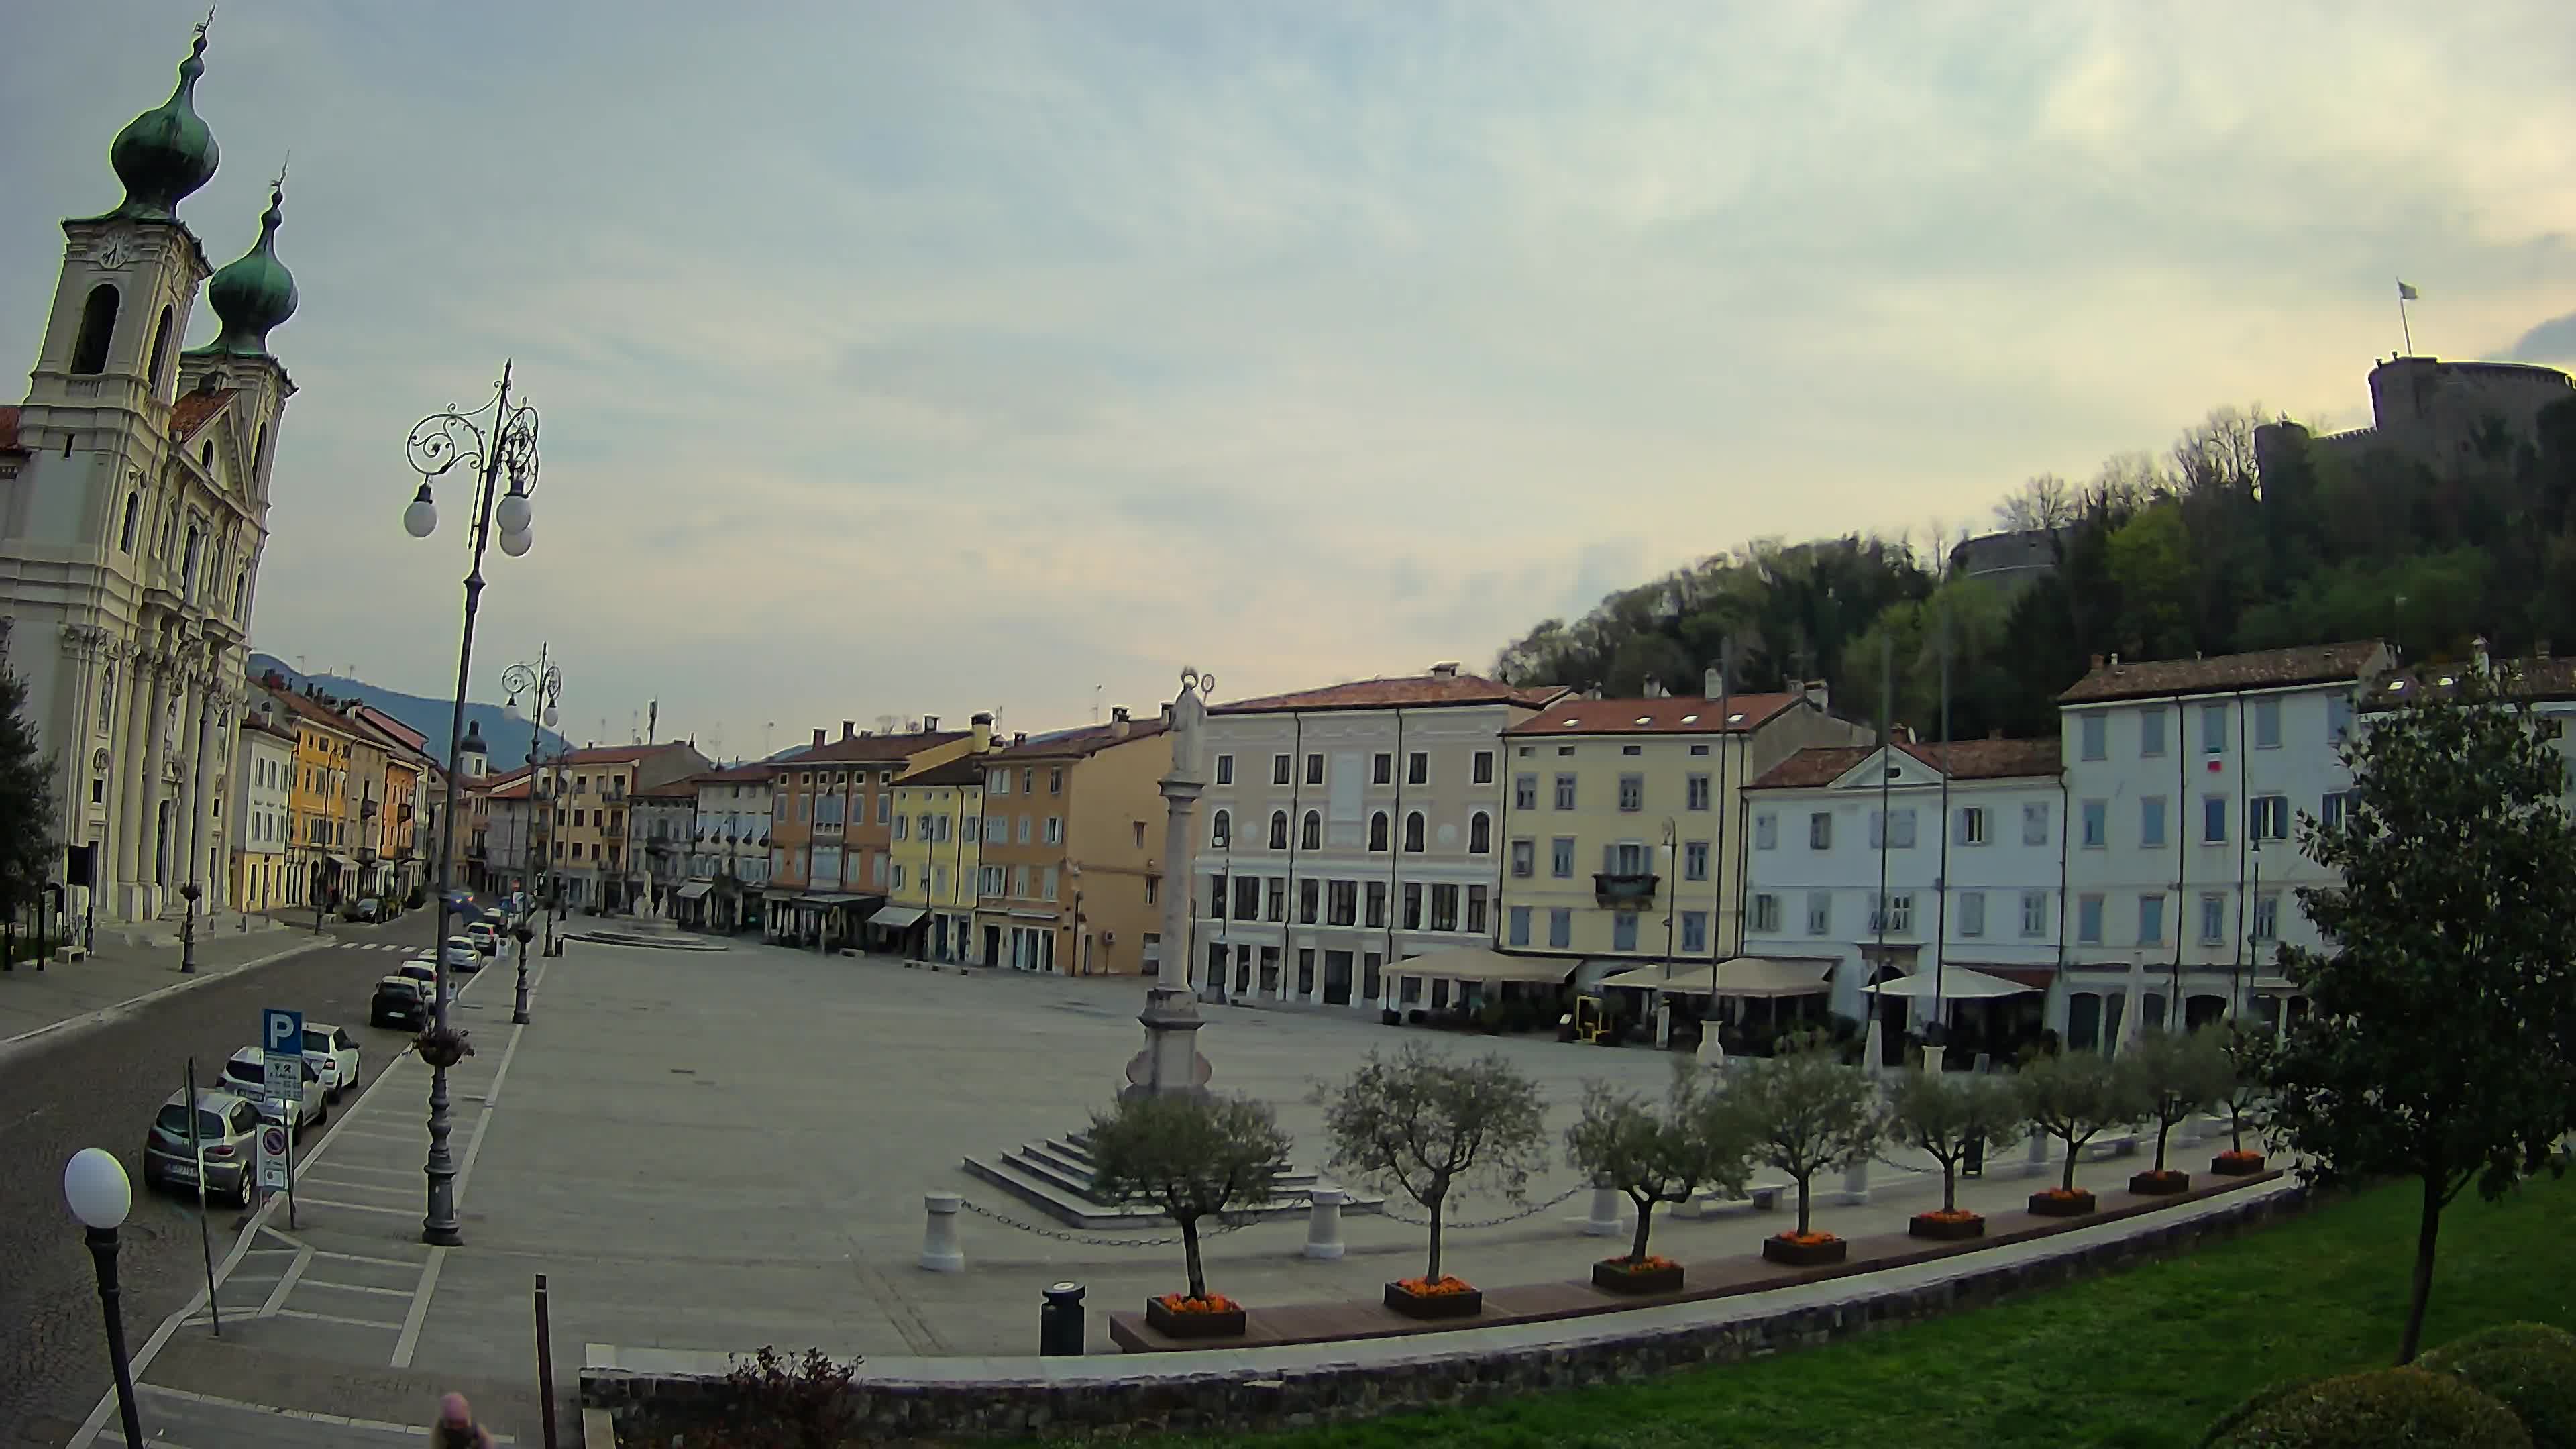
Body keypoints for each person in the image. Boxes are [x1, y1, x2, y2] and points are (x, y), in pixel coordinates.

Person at [432, 1393, 496, 1449]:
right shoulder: (440, 1431)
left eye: (460, 1422)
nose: (456, 1427)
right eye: (451, 1423)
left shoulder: (480, 1435)